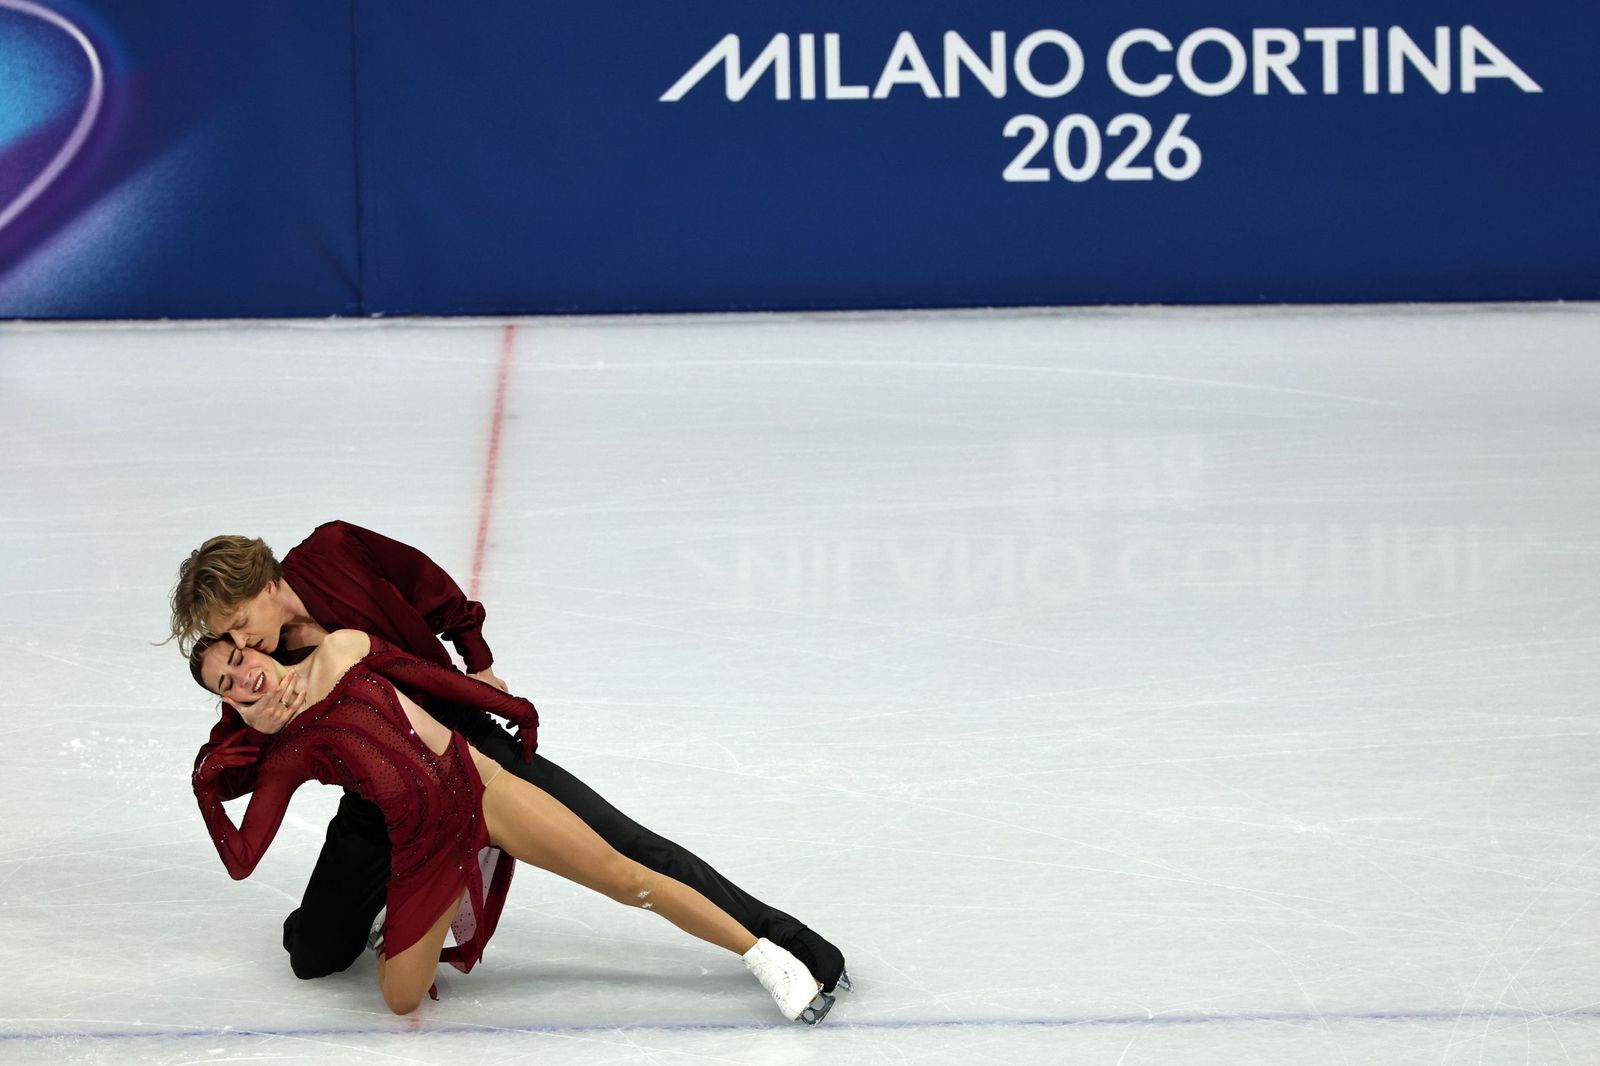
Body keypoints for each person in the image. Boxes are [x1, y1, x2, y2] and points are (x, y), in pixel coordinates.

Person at [166, 523, 847, 994]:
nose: (238, 645)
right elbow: (235, 752)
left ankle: (788, 942)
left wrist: (480, 662)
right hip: (385, 798)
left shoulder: (335, 550)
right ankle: (402, 903)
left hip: (471, 750)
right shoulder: (261, 671)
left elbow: (427, 586)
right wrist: (227, 757)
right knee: (312, 956)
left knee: (627, 845)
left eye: (233, 624)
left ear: (257, 586)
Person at [190, 628, 831, 1021]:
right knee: (401, 1001)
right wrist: (206, 788)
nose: (243, 678)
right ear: (227, 698)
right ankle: (413, 919)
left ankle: (764, 957)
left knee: (622, 874)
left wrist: (508, 707)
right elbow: (244, 859)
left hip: (483, 789)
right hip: (423, 853)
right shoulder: (283, 746)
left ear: (252, 648)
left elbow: (427, 678)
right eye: (227, 684)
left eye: (236, 661)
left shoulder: (342, 647)